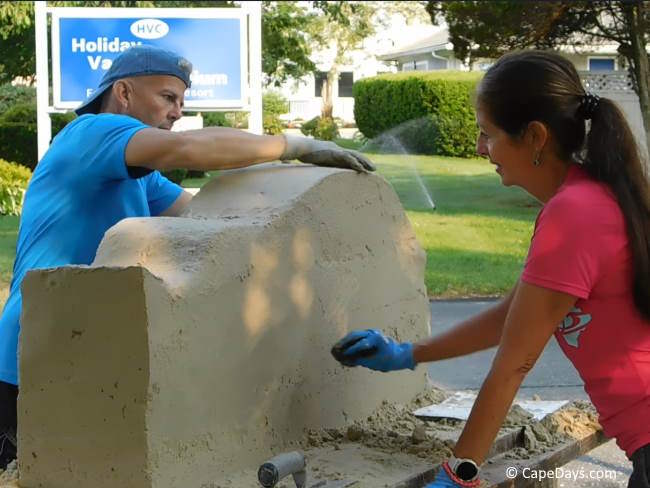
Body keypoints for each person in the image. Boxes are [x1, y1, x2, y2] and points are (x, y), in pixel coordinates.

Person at [0, 44, 375, 469]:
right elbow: (190, 150)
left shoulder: (140, 179)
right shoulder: (92, 131)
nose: (177, 112)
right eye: (167, 97)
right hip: (29, 355)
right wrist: (292, 145)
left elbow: (207, 214)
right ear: (123, 93)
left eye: (181, 101)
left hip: (81, 350)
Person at [333, 50, 650, 488]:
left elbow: (514, 364)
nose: (481, 148)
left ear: (535, 137)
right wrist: (407, 354)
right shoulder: (588, 196)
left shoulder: (574, 214)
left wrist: (459, 472)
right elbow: (513, 316)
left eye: (488, 134)